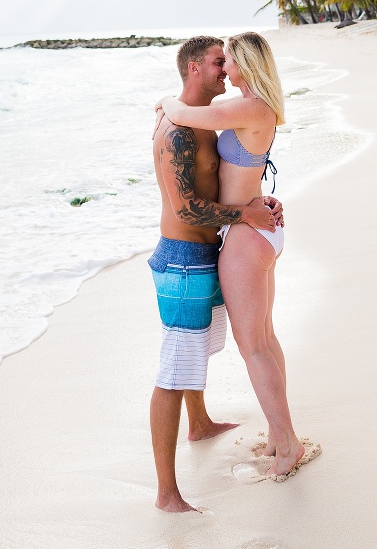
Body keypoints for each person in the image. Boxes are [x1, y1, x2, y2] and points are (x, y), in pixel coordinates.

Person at [159, 31, 320, 482]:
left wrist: (163, 102)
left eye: (227, 60)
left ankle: (286, 444)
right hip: (259, 228)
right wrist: (260, 200)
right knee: (265, 340)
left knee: (254, 348)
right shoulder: (257, 107)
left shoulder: (248, 106)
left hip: (247, 236)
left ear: (243, 64)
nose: (223, 67)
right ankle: (278, 434)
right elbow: (244, 166)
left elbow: (183, 112)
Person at [150, 35, 283, 512]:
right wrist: (244, 217)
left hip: (207, 252)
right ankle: (167, 494)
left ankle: (200, 423)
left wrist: (252, 202)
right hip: (182, 260)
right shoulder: (178, 132)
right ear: (193, 69)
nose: (225, 68)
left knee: (198, 350)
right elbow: (185, 206)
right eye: (216, 62)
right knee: (174, 369)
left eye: (227, 60)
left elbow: (231, 175)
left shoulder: (208, 120)